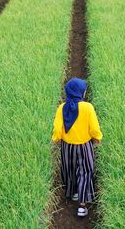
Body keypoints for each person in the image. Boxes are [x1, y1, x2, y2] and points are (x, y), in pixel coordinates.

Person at [52, 77, 103, 217]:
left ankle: (74, 193)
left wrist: (56, 139)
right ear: (81, 92)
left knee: (70, 170)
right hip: (84, 147)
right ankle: (82, 206)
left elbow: (57, 128)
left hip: (67, 147)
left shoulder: (62, 108)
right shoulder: (88, 107)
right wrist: (98, 138)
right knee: (85, 172)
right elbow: (94, 127)